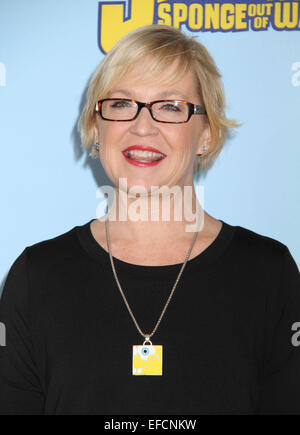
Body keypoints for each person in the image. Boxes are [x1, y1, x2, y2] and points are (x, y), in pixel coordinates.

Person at [0, 24, 299, 415]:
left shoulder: (268, 273)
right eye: (122, 104)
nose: (142, 126)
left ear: (206, 133)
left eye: (171, 106)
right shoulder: (35, 277)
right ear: (96, 126)